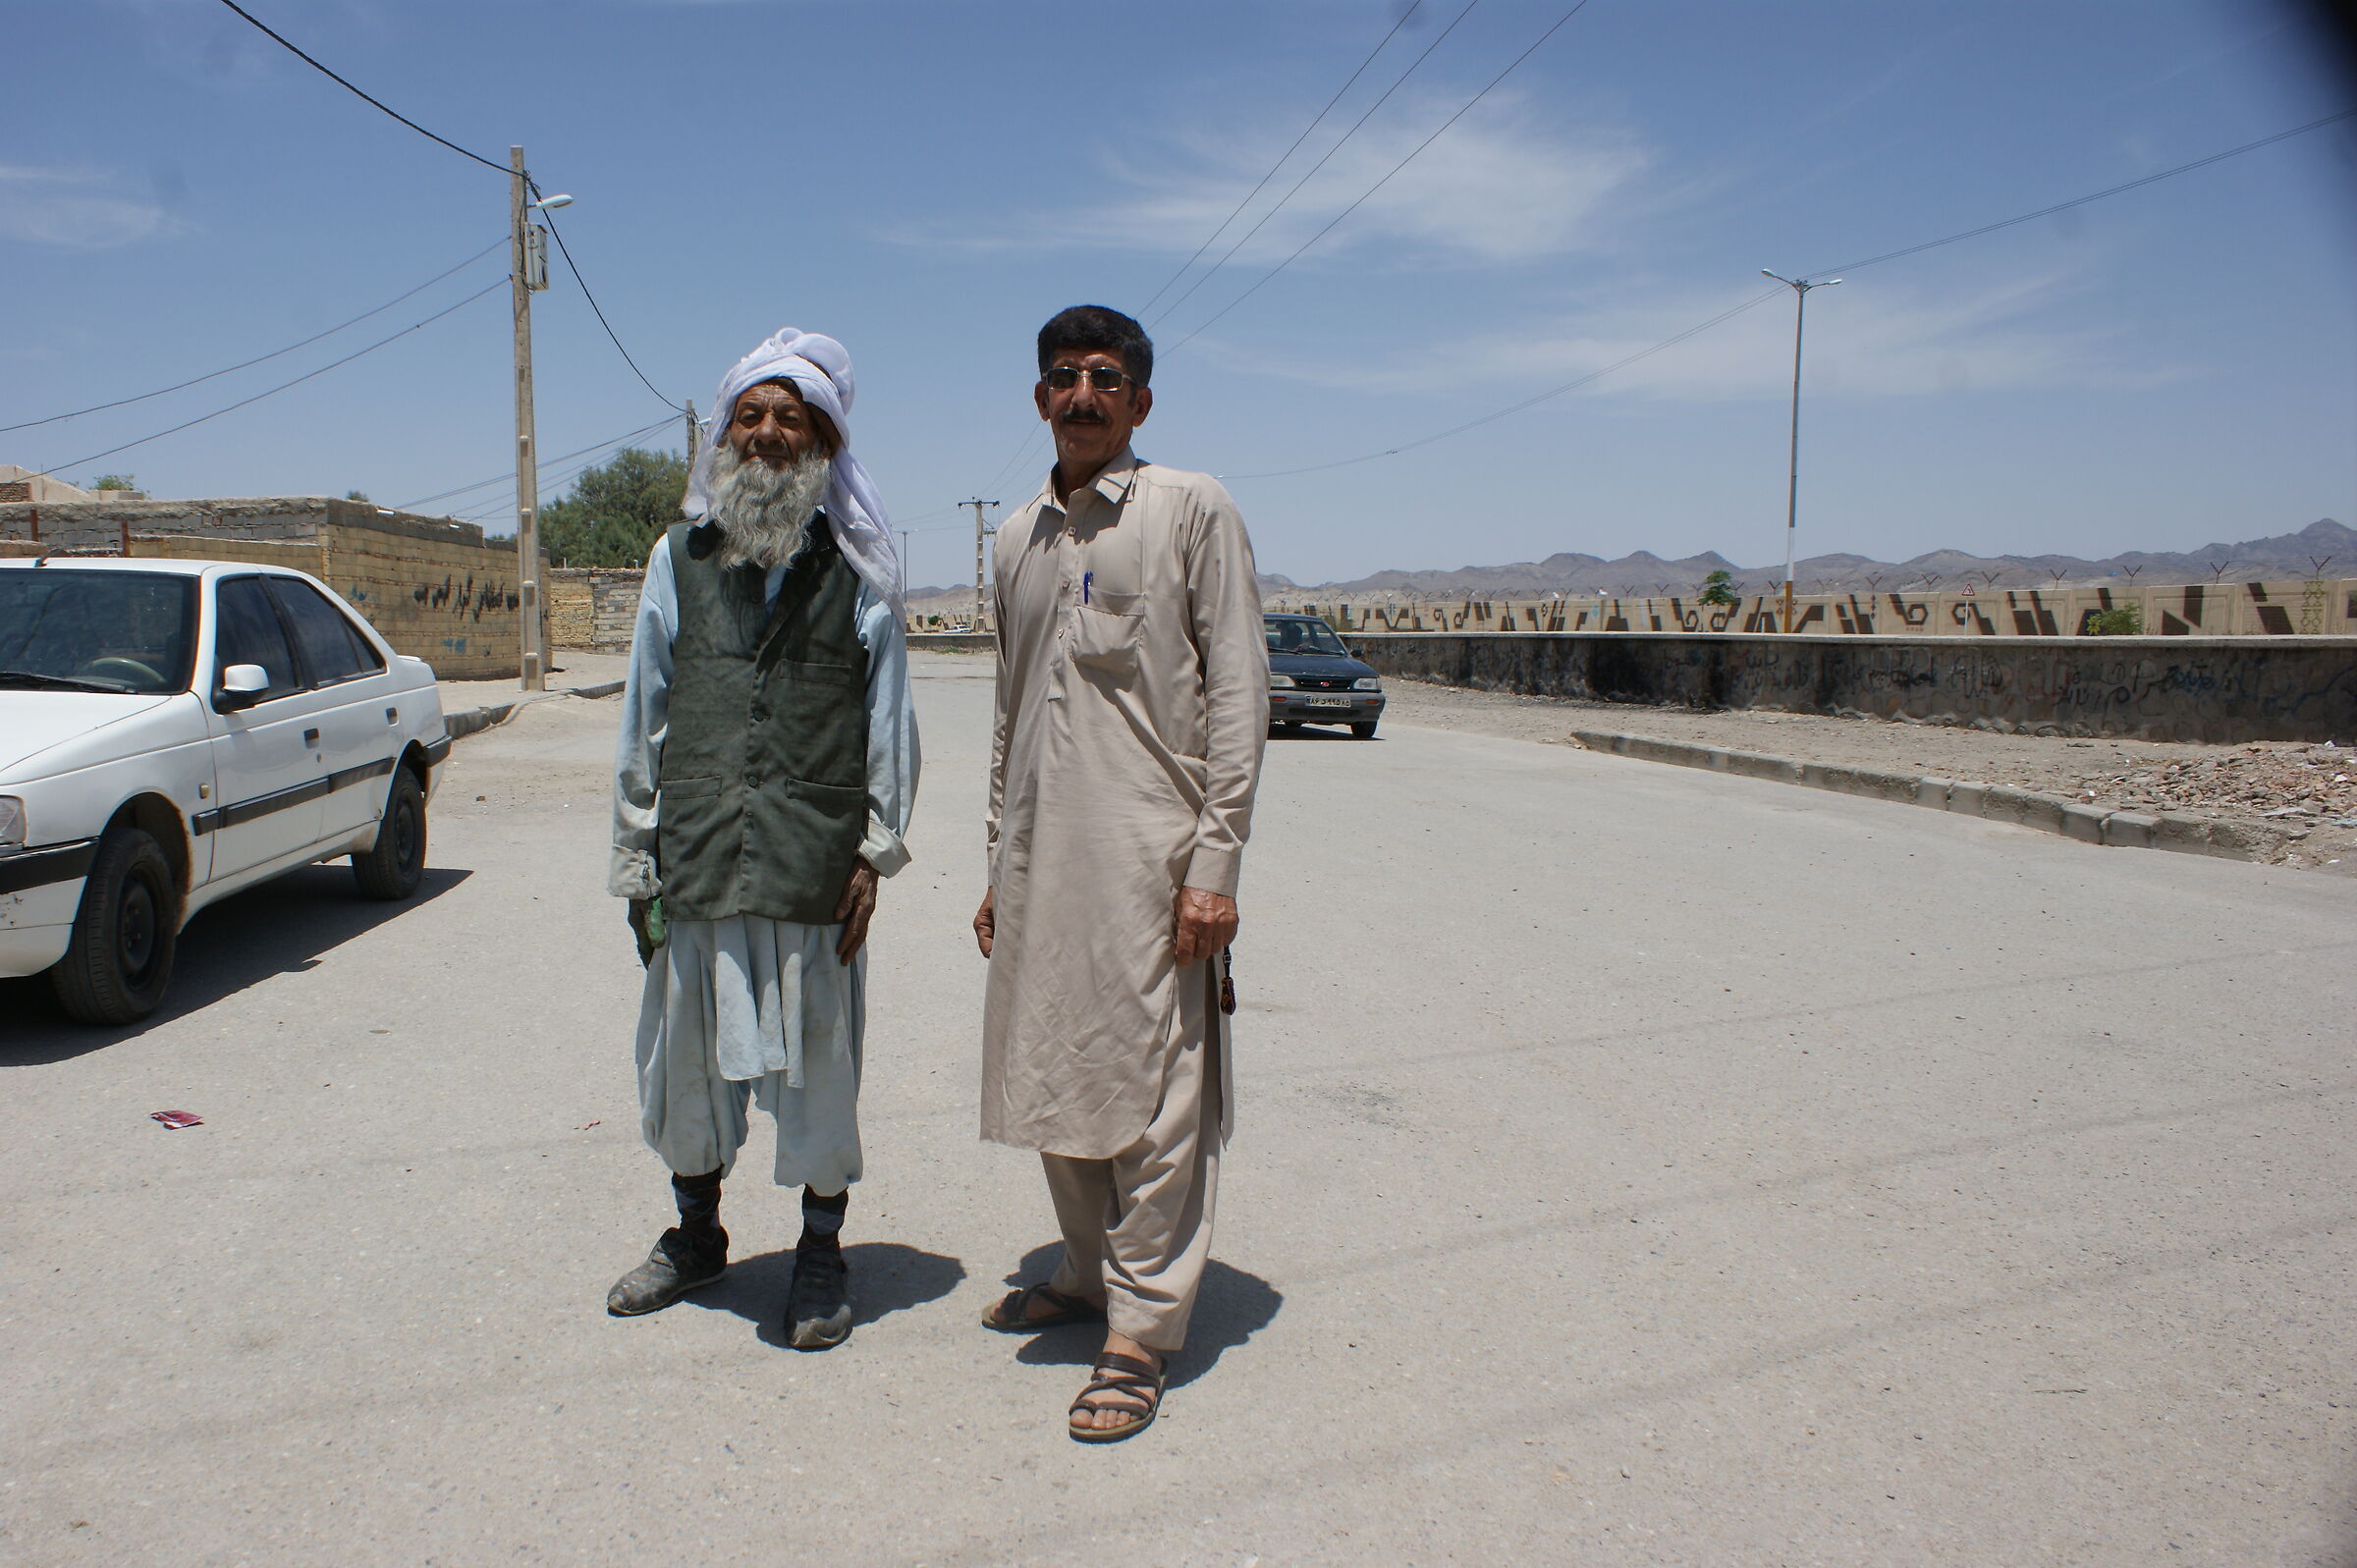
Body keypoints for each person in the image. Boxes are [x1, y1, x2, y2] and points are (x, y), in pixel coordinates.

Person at [972, 305, 1268, 1441]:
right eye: (1063, 376)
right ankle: (1088, 1272)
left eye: (1106, 377)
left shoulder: (1191, 509)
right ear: (1040, 400)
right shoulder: (1017, 539)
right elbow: (1010, 713)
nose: (1083, 392)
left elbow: (1241, 694)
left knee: (1157, 1093)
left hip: (1155, 864)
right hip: (1043, 865)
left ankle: (1140, 1331)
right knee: (1055, 1068)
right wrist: (998, 856)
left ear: (1140, 402)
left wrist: (1215, 862)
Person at [604, 328, 917, 1351]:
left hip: (812, 867)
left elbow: (888, 724)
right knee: (684, 1068)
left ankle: (821, 1253)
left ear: (824, 442)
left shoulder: (861, 571)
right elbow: (643, 709)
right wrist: (635, 857)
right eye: (753, 415)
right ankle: (697, 1236)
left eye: (793, 418)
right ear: (725, 435)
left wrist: (875, 853)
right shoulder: (676, 559)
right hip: (696, 859)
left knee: (822, 1073)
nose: (771, 433)